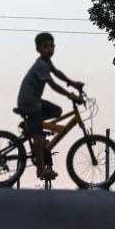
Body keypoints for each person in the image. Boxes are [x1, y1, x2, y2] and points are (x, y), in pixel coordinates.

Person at [18, 32, 85, 181]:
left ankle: (31, 124)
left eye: (51, 46)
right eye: (45, 46)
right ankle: (41, 169)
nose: (49, 49)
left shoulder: (46, 62)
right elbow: (53, 84)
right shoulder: (41, 64)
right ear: (38, 49)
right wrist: (71, 95)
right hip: (29, 102)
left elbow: (57, 73)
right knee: (37, 133)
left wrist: (72, 82)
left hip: (34, 100)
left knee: (57, 111)